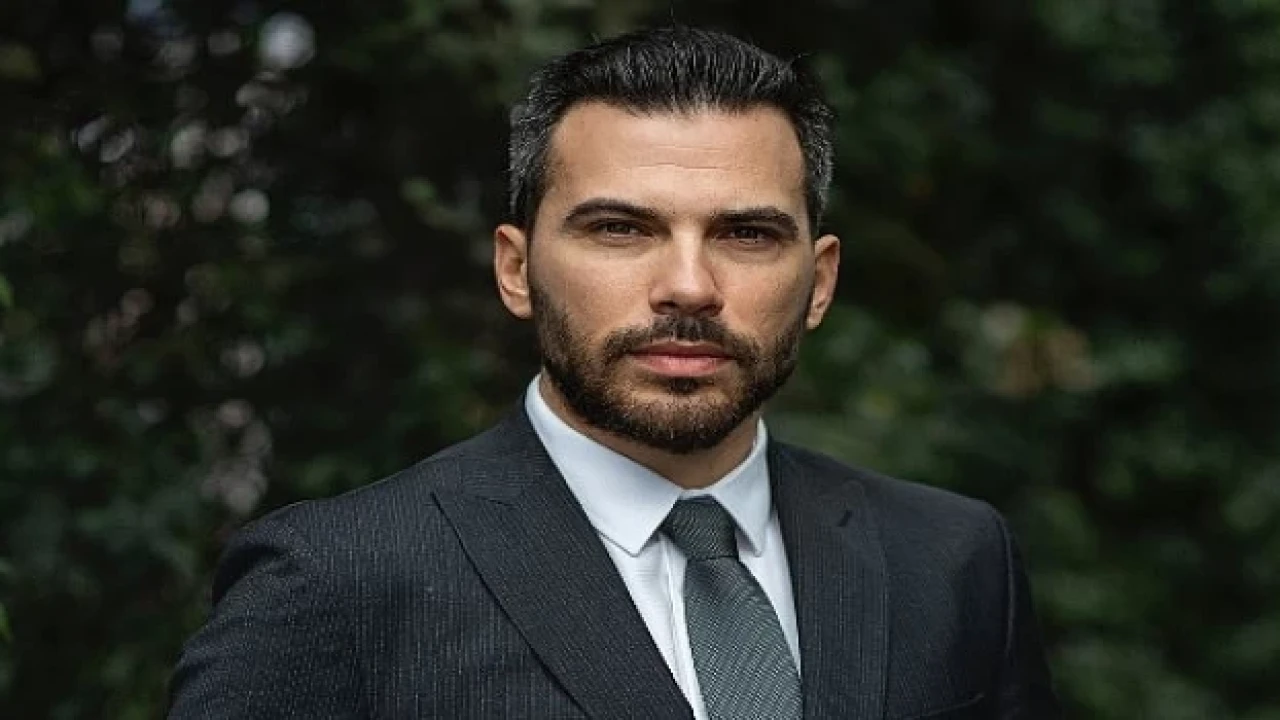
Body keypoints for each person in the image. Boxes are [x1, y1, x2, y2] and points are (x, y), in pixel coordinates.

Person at [168, 26, 1062, 720]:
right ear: (516, 269)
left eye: (747, 233)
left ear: (819, 282)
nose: (689, 286)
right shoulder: (337, 582)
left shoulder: (951, 560)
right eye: (620, 229)